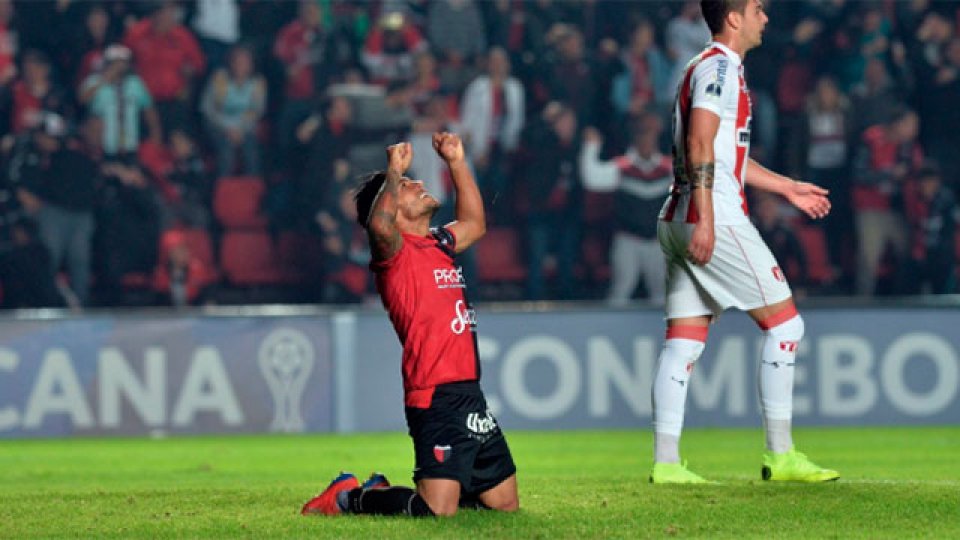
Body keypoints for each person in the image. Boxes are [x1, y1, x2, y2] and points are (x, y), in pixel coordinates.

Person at [651, 0, 838, 484]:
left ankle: (667, 464)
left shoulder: (701, 66)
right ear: (733, 17)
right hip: (711, 216)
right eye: (758, 8)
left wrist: (786, 187)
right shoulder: (718, 67)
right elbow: (698, 144)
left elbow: (723, 155)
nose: (766, 17)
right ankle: (781, 455)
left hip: (676, 215)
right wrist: (709, 219)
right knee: (786, 327)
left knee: (683, 341)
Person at [300, 133, 518, 516]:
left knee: (504, 505)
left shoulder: (438, 244)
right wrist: (393, 172)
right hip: (433, 394)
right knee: (437, 511)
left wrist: (456, 162)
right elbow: (380, 229)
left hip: (470, 392)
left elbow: (475, 223)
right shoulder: (395, 254)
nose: (419, 184)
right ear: (393, 212)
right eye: (407, 187)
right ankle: (348, 497)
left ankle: (441, 483)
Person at [580, 112, 672, 306]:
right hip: (628, 239)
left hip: (658, 242)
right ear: (635, 138)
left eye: (649, 135)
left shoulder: (668, 169)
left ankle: (663, 333)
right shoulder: (623, 167)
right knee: (621, 290)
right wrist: (591, 147)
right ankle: (611, 331)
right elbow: (592, 178)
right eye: (642, 135)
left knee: (662, 294)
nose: (646, 140)